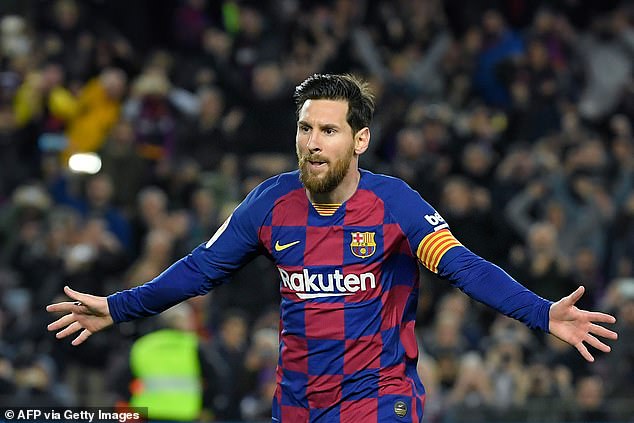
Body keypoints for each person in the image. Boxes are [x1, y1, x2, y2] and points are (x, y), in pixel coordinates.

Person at [47, 73, 618, 422]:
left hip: (378, 399)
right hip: (297, 402)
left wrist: (541, 312)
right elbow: (201, 269)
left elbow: (464, 267)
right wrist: (118, 307)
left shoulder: (395, 205)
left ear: (360, 139)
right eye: (305, 128)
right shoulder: (269, 204)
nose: (312, 143)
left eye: (328, 130)